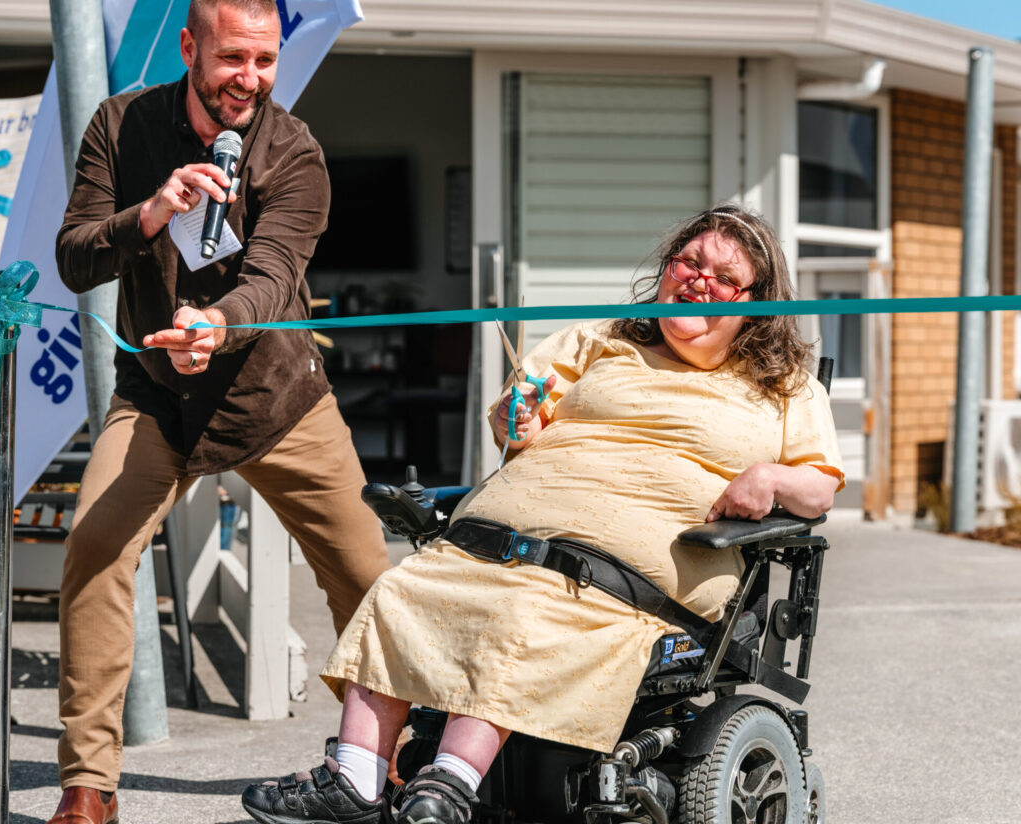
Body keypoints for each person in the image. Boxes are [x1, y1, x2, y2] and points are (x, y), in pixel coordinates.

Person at [240, 205, 844, 824]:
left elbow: (818, 487)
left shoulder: (782, 386)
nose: (698, 281)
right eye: (689, 261)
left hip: (635, 573)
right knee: (404, 590)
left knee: (528, 606)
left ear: (755, 303)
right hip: (503, 539)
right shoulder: (604, 341)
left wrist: (768, 478)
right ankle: (357, 779)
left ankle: (448, 785)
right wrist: (516, 418)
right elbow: (522, 412)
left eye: (723, 276)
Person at [47, 2, 391, 823]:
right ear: (190, 46)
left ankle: (386, 765)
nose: (251, 80)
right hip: (157, 396)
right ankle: (88, 790)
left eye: (265, 61)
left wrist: (219, 324)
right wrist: (150, 215)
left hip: (275, 397)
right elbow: (71, 257)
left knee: (368, 579)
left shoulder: (296, 152)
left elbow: (273, 275)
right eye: (234, 59)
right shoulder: (121, 125)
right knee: (94, 548)